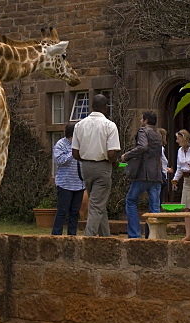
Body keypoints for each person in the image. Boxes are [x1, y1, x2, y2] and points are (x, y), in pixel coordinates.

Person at [72, 94, 121, 237]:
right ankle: (88, 239)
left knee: (98, 204)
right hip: (103, 166)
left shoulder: (79, 125)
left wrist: (88, 157)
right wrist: (115, 163)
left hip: (85, 167)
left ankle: (106, 238)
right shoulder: (109, 125)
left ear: (91, 106)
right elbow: (112, 153)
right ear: (105, 108)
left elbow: (75, 153)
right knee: (96, 205)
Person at [120, 111, 164, 239]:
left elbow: (143, 147)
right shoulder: (158, 134)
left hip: (143, 173)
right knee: (155, 206)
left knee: (131, 201)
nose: (140, 121)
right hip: (156, 173)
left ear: (145, 121)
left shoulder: (143, 131)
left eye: (141, 119)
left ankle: (134, 234)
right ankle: (154, 235)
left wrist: (126, 156)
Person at [51, 123, 83, 235]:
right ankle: (56, 237)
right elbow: (59, 160)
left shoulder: (82, 144)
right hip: (65, 184)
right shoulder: (61, 144)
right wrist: (73, 153)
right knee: (62, 212)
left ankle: (72, 236)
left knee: (74, 213)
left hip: (79, 184)